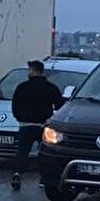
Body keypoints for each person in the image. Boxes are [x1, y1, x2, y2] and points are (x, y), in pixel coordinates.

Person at [10, 59, 65, 191]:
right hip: (44, 126)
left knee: (22, 151)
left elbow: (15, 106)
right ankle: (44, 179)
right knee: (45, 153)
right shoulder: (50, 87)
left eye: (29, 70)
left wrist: (19, 118)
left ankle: (17, 174)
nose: (28, 72)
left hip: (26, 125)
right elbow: (60, 106)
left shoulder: (22, 87)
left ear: (33, 71)